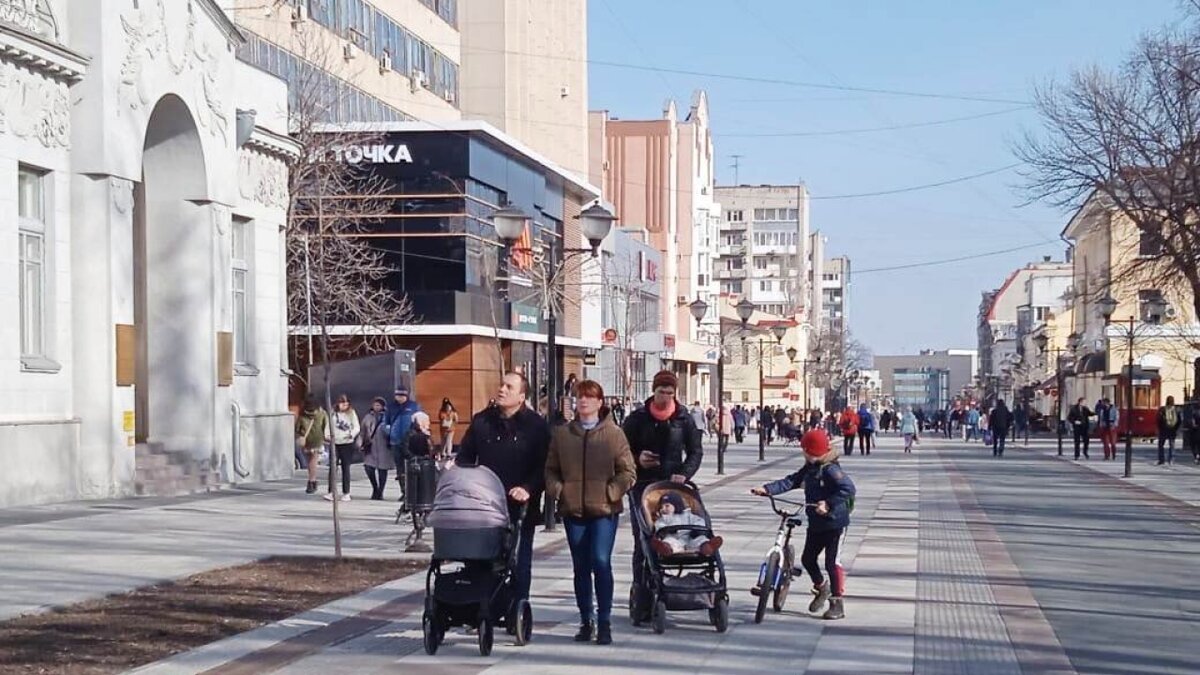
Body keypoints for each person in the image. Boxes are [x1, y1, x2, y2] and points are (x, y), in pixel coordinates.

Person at [545, 379, 636, 645]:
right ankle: (586, 620)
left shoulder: (613, 434)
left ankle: (605, 620)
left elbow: (628, 472)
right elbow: (550, 469)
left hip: (604, 510)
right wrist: (559, 490)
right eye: (579, 397)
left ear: (599, 402)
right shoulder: (563, 434)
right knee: (581, 567)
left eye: (589, 397)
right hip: (574, 510)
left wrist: (612, 492)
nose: (583, 401)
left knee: (600, 561)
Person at [456, 372, 550, 604]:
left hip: (520, 505)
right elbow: (465, 457)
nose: (502, 390)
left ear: (521, 396)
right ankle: (482, 606)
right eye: (501, 385)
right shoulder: (482, 421)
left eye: (509, 387)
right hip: (484, 505)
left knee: (518, 559)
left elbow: (545, 465)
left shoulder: (535, 426)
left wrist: (528, 488)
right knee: (480, 559)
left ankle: (517, 608)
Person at [621, 370, 703, 623]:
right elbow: (622, 451)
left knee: (674, 532)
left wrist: (685, 474)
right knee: (644, 541)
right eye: (661, 392)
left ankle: (670, 589)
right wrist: (637, 459)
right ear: (653, 392)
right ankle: (643, 597)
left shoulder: (683, 418)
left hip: (672, 486)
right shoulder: (638, 418)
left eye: (670, 392)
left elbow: (695, 451)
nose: (666, 397)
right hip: (643, 487)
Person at [751, 429, 856, 621]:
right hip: (816, 523)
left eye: (805, 450)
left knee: (832, 562)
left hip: (835, 523)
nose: (803, 453)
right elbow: (791, 481)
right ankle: (821, 587)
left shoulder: (831, 469)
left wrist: (829, 503)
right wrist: (767, 489)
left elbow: (848, 488)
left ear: (812, 451)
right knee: (808, 559)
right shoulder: (810, 467)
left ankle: (837, 603)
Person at [650, 492, 722, 556]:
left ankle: (707, 546)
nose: (663, 508)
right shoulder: (663, 519)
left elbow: (698, 521)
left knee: (700, 539)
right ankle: (665, 548)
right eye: (661, 507)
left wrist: (698, 530)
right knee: (669, 541)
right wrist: (666, 530)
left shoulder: (688, 515)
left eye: (667, 506)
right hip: (675, 538)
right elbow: (659, 526)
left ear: (676, 505)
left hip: (691, 537)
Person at [324, 394, 361, 502]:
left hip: (347, 442)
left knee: (346, 467)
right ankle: (331, 492)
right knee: (333, 467)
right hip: (335, 442)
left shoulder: (351, 413)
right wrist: (327, 435)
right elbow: (328, 425)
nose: (344, 405)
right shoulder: (333, 413)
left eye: (346, 403)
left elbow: (356, 426)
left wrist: (352, 434)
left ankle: (346, 492)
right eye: (342, 403)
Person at [386, 389, 421, 500]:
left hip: (410, 442)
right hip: (396, 441)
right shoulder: (391, 407)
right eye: (398, 395)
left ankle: (413, 492)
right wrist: (390, 433)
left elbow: (419, 421)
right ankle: (404, 491)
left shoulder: (414, 406)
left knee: (411, 467)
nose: (400, 397)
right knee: (400, 468)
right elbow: (385, 422)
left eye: (402, 395)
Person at [360, 397, 394, 500]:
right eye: (375, 405)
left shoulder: (388, 417)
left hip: (384, 447)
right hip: (371, 446)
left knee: (382, 470)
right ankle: (375, 487)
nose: (376, 407)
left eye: (379, 405)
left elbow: (391, 431)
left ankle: (380, 491)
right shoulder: (367, 417)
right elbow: (362, 432)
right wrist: (360, 443)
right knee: (368, 467)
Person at [295, 396, 329, 494]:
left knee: (311, 461)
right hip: (316, 440)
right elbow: (326, 426)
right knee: (312, 462)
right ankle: (312, 481)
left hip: (308, 441)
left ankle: (312, 481)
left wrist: (300, 437)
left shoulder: (302, 415)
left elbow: (297, 429)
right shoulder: (322, 413)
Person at [1156, 395, 1182, 465]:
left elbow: (1158, 420)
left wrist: (1159, 428)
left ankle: (1161, 460)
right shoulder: (1177, 410)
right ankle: (1171, 460)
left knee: (1161, 445)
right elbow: (1179, 420)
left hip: (1164, 429)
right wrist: (1176, 428)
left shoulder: (1162, 409)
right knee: (1172, 445)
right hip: (1172, 429)